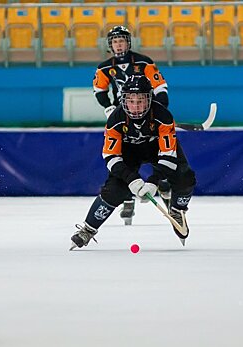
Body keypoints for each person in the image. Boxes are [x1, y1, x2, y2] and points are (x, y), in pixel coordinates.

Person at [71, 75, 196, 250]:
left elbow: (168, 154)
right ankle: (88, 229)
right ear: (123, 100)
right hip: (129, 152)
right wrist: (131, 179)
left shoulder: (163, 116)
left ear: (149, 99)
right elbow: (110, 156)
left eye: (141, 101)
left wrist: (153, 182)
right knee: (114, 190)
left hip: (156, 148)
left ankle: (177, 209)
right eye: (131, 100)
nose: (136, 106)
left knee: (185, 176)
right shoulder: (115, 119)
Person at [93, 25, 170, 225]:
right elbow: (100, 90)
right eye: (115, 41)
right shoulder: (104, 66)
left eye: (122, 40)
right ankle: (127, 197)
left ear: (128, 42)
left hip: (146, 112)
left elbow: (159, 86)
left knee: (157, 148)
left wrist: (159, 110)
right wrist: (109, 108)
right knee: (122, 155)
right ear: (111, 45)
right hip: (123, 116)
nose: (119, 44)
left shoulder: (144, 62)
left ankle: (163, 182)